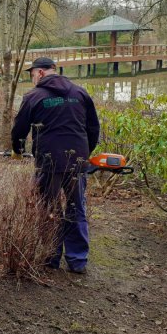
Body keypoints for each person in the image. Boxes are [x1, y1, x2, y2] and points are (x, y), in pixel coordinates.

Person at [11, 57, 100, 273]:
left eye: (32, 74)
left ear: (40, 73)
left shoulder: (33, 96)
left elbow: (19, 129)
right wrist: (85, 153)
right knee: (76, 207)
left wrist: (18, 150)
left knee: (49, 208)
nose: (32, 78)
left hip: (49, 161)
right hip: (77, 160)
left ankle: (51, 257)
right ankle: (78, 261)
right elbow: (93, 128)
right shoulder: (80, 92)